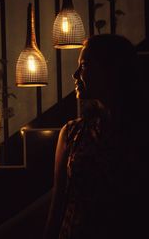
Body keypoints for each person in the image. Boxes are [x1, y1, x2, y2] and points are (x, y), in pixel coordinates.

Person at [44, 34, 148, 239]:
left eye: (83, 65)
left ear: (110, 70)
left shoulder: (141, 133)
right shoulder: (73, 133)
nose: (75, 75)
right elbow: (59, 204)